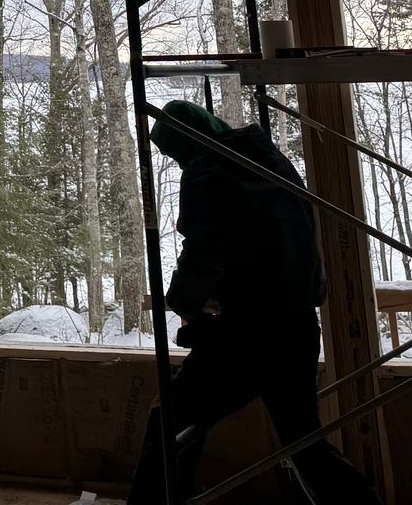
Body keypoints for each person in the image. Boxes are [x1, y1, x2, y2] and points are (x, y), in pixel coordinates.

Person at [127, 100, 382, 505]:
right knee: (302, 439)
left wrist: (184, 300)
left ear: (185, 142)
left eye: (173, 151)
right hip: (297, 327)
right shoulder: (268, 158)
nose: (175, 160)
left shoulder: (208, 171)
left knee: (170, 421)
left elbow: (202, 252)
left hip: (248, 334)